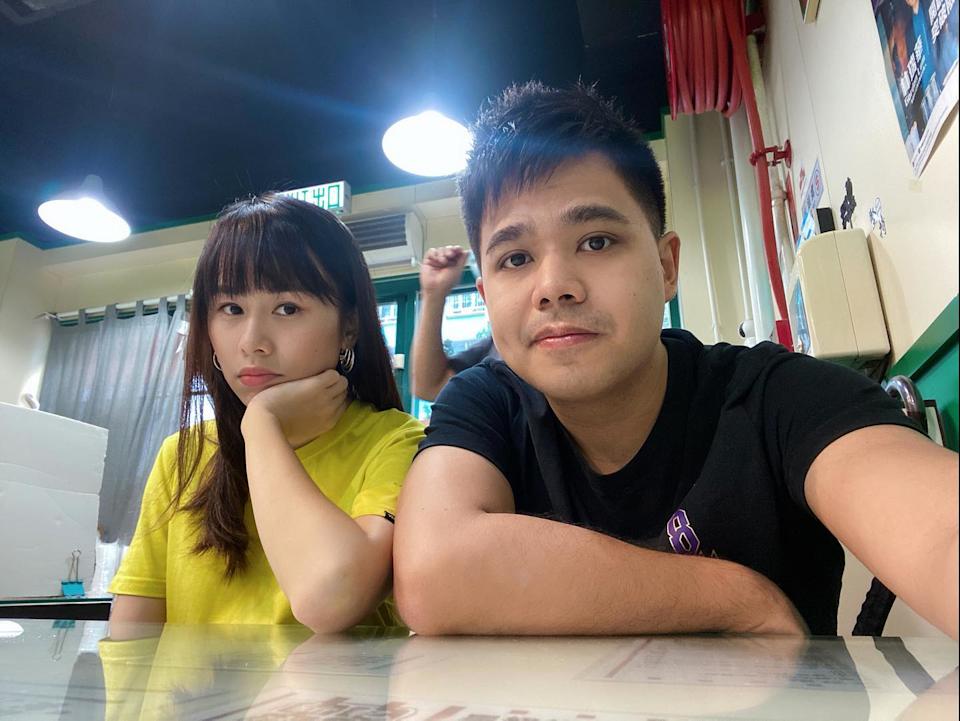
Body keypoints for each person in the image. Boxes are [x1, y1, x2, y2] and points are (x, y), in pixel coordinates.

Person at [393, 81, 959, 638]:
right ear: (486, 296)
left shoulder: (775, 398)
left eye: (596, 241)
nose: (554, 286)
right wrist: (739, 600)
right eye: (516, 258)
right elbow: (432, 570)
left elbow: (941, 534)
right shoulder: (487, 404)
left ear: (666, 267)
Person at [109, 194, 424, 632]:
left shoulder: (398, 442)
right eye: (231, 309)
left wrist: (261, 426)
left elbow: (333, 598)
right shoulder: (182, 454)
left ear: (348, 327)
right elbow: (131, 637)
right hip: (190, 683)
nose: (252, 342)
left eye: (287, 308)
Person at [411, 245, 499, 401]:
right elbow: (429, 387)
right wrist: (434, 294)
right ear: (483, 292)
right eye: (517, 260)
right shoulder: (494, 350)